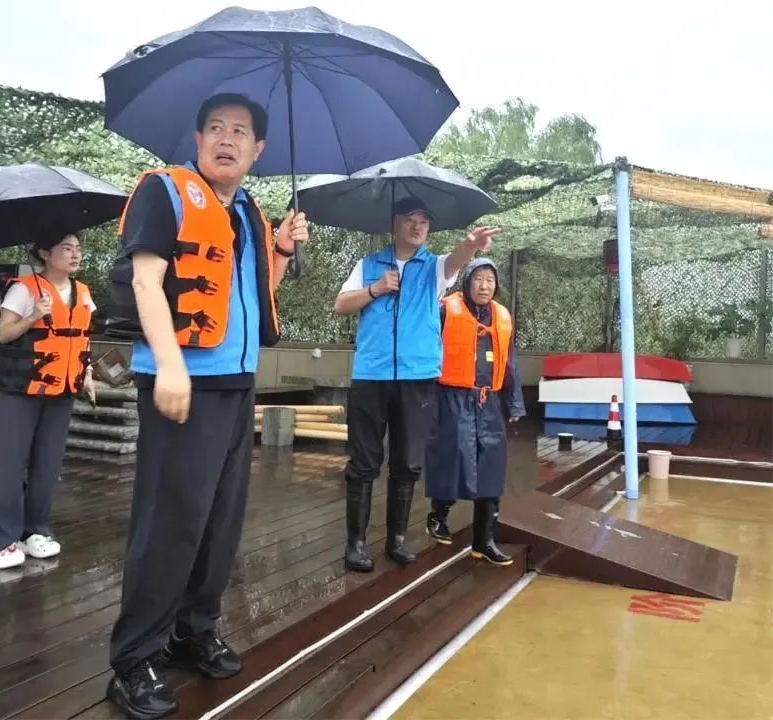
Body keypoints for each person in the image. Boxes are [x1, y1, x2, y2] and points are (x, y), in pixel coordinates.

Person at [104, 92, 309, 720]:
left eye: (240, 131)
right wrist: (169, 365)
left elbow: (249, 294)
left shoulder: (248, 211)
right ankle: (135, 659)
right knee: (170, 522)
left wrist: (281, 251)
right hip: (182, 382)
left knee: (219, 521)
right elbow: (146, 279)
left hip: (236, 382)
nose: (227, 138)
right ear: (197, 141)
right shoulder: (164, 192)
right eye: (215, 128)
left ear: (258, 149)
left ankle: (193, 631)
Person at [333, 200, 499, 573]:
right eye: (411, 220)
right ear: (395, 224)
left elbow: (455, 261)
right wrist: (376, 289)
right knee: (363, 461)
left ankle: (396, 540)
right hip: (371, 375)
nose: (418, 226)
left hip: (417, 377)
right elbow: (341, 304)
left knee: (407, 461)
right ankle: (355, 544)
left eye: (424, 221)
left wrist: (471, 244)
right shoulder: (368, 264)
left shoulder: (434, 267)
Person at [0, 232, 96, 571]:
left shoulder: (83, 292)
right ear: (45, 253)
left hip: (62, 389)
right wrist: (33, 315)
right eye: (66, 249)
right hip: (22, 388)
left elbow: (82, 338)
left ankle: (36, 530)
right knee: (9, 464)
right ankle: (3, 540)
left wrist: (87, 374)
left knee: (47, 465)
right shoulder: (24, 289)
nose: (75, 255)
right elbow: (3, 333)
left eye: (77, 249)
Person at [425, 257, 524, 565]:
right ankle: (438, 516)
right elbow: (427, 350)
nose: (484, 286)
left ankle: (484, 541)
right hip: (451, 397)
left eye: (490, 280)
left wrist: (514, 402)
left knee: (491, 467)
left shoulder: (502, 317)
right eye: (478, 279)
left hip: (489, 401)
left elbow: (509, 362)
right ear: (467, 282)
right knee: (453, 454)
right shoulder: (445, 309)